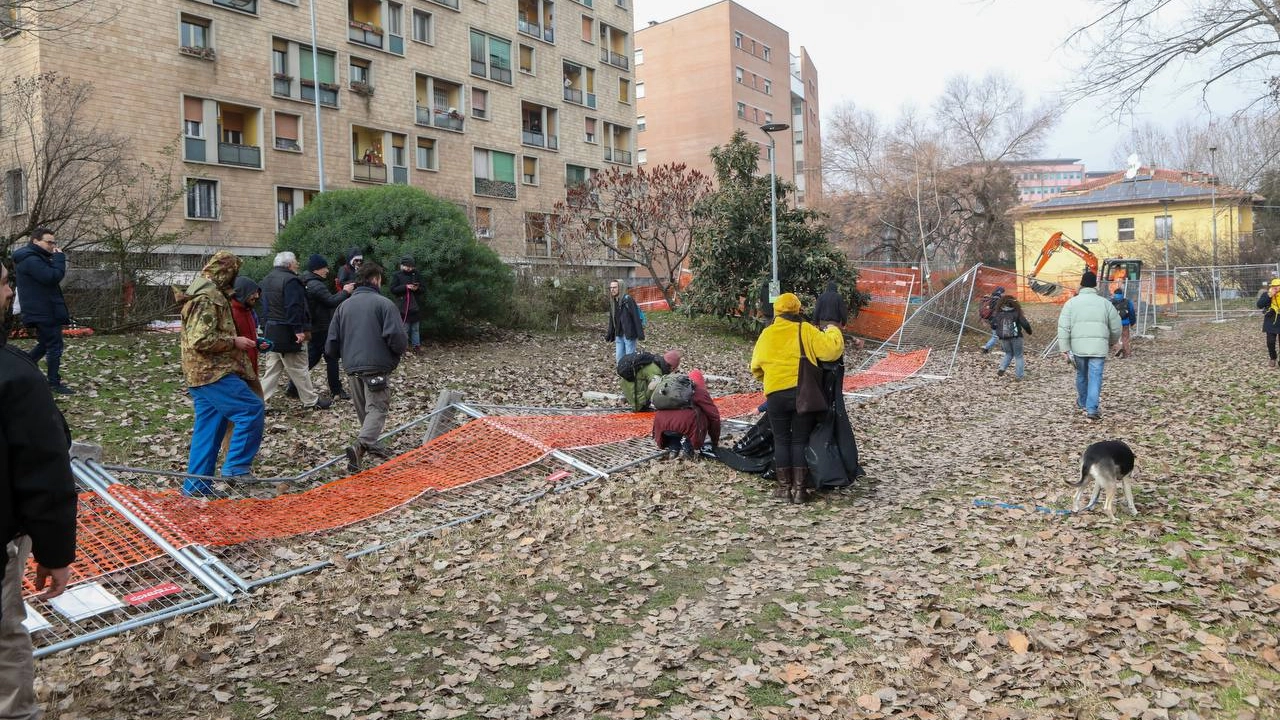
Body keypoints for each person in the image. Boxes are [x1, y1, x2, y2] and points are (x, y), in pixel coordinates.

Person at [1, 260, 78, 720]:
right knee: (6, 643)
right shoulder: (15, 376)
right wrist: (55, 553)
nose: (12, 292)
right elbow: (43, 472)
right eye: (6, 283)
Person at [177, 252, 266, 496]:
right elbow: (200, 339)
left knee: (209, 430)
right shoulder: (208, 298)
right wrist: (233, 341)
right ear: (226, 273)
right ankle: (236, 467)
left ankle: (195, 488)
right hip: (213, 372)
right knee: (251, 409)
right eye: (234, 273)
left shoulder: (202, 293)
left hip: (200, 375)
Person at [749, 292, 844, 503]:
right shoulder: (806, 330)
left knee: (782, 440)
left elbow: (755, 367)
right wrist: (834, 330)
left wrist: (770, 375)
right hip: (804, 393)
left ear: (776, 312)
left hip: (776, 395)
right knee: (799, 440)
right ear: (798, 310)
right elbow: (831, 351)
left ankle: (784, 489)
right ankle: (800, 491)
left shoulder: (767, 334)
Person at [326, 261, 409, 473]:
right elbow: (397, 338)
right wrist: (395, 354)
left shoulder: (343, 306)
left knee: (364, 409)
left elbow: (332, 342)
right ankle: (361, 446)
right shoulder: (384, 304)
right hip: (376, 366)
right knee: (377, 408)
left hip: (352, 366)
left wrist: (341, 357)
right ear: (375, 280)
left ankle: (370, 443)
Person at [260, 252, 332, 410]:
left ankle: (261, 401)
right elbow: (294, 307)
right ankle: (310, 401)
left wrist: (264, 328)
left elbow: (264, 307)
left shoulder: (267, 279)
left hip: (272, 331)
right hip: (288, 333)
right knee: (299, 367)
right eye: (295, 262)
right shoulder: (291, 280)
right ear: (289, 264)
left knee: (272, 368)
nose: (298, 264)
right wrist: (298, 330)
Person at [11, 228, 74, 394]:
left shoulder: (34, 258)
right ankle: (54, 383)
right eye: (48, 242)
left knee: (46, 344)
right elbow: (51, 277)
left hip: (43, 309)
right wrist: (60, 259)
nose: (52, 246)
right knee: (54, 345)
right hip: (43, 310)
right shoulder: (31, 259)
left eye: (53, 242)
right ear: (35, 241)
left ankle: (19, 371)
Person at [1057, 270, 1121, 421]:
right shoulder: (1105, 303)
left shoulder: (1071, 303)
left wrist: (1064, 348)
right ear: (1095, 286)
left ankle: (1082, 402)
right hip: (1099, 348)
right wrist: (1112, 341)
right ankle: (1092, 409)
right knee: (1095, 377)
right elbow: (1116, 326)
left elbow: (1063, 327)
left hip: (1079, 348)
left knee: (1081, 374)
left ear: (1081, 285)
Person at [297, 254, 353, 400]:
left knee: (313, 357)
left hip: (314, 327)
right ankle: (336, 390)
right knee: (332, 357)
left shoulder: (307, 281)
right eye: (325, 268)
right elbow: (331, 301)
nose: (327, 270)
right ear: (317, 269)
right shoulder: (316, 285)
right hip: (321, 327)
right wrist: (346, 291)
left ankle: (293, 386)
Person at [652, 368, 721, 459]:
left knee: (674, 421)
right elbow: (714, 417)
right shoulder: (699, 391)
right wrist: (714, 440)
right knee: (702, 415)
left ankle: (674, 449)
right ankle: (687, 448)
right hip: (684, 427)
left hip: (663, 427)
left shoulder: (673, 390)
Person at [229, 276, 266, 397]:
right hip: (238, 372)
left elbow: (248, 336)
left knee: (257, 403)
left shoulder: (248, 311)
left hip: (251, 369)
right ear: (242, 293)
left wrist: (258, 343)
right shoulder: (230, 313)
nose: (256, 296)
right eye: (253, 293)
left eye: (257, 292)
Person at [991, 295, 1032, 380]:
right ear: (1014, 304)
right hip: (1016, 337)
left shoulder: (998, 314)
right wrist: (1029, 331)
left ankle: (1002, 368)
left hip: (1003, 337)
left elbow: (993, 325)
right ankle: (1019, 376)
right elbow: (1025, 324)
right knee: (1018, 356)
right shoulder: (1017, 313)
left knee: (1008, 354)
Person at [389, 256, 423, 354]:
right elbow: (393, 289)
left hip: (415, 306)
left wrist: (417, 289)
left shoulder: (416, 274)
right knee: (405, 328)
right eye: (406, 266)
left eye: (411, 266)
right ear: (401, 266)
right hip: (403, 306)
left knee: (415, 328)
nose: (408, 268)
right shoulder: (397, 275)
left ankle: (416, 346)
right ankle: (403, 347)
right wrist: (405, 287)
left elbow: (423, 289)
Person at [605, 279, 644, 364]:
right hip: (618, 334)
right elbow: (612, 319)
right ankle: (622, 374)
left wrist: (640, 333)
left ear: (621, 288)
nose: (612, 289)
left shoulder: (628, 299)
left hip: (629, 335)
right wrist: (609, 333)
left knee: (630, 359)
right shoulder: (613, 301)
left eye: (615, 287)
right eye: (611, 288)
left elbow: (635, 317)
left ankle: (630, 375)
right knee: (619, 358)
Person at [1257, 278, 1280, 367]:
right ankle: (1273, 358)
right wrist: (1269, 295)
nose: (1275, 288)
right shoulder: (1267, 294)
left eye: (1277, 286)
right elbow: (1259, 305)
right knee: (1270, 341)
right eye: (1273, 286)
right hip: (1271, 319)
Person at [979, 286, 1006, 354]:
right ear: (1000, 292)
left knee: (998, 335)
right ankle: (987, 348)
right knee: (1000, 335)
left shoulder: (991, 299)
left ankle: (987, 347)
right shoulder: (997, 300)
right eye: (1003, 292)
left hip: (992, 320)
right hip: (997, 320)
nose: (1004, 294)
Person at [1111, 288, 1137, 358]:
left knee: (1115, 338)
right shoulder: (1128, 302)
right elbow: (1132, 312)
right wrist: (1132, 322)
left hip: (1114, 323)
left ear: (1114, 294)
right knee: (1125, 338)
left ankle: (1118, 348)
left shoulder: (1110, 302)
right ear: (1122, 294)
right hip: (1125, 322)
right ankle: (1126, 354)